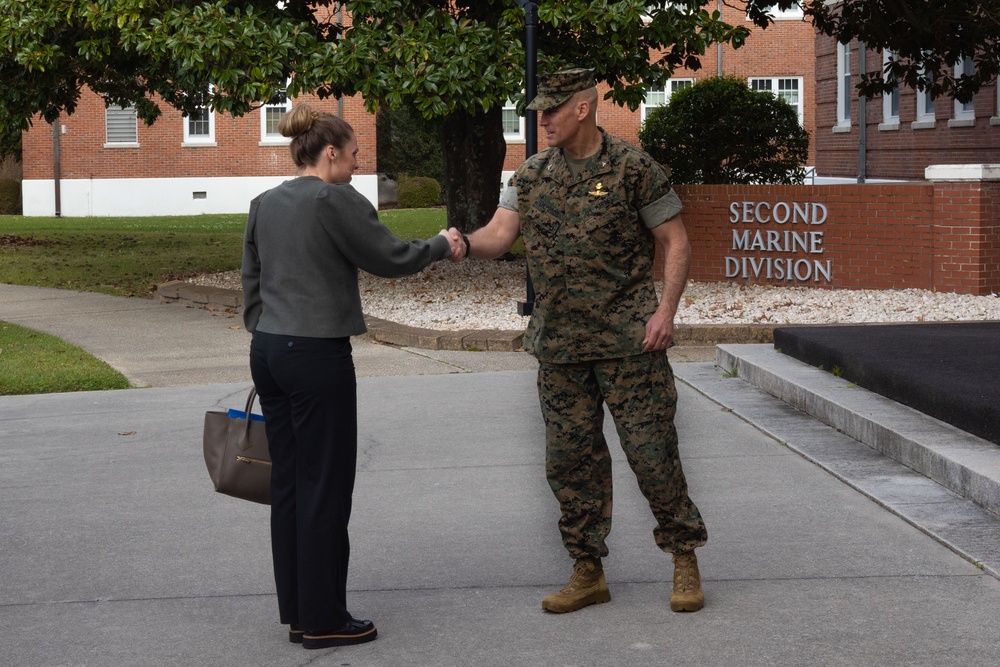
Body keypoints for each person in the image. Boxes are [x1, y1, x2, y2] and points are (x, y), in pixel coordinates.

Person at [458, 68, 708, 613]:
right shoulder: (530, 175)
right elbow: (499, 238)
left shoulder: (633, 168)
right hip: (561, 350)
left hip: (629, 343)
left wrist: (665, 312)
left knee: (652, 454)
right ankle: (587, 569)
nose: (541, 119)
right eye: (539, 110)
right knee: (571, 464)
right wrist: (457, 244)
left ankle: (684, 557)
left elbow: (675, 240)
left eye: (551, 109)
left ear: (582, 108)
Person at [241, 103, 463, 649]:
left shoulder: (264, 202)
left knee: (290, 483)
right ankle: (323, 619)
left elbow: (251, 277)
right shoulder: (332, 197)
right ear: (331, 153)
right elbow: (387, 255)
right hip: (317, 355)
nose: (358, 166)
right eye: (356, 156)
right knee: (326, 485)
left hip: (269, 350)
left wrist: (265, 326)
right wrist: (442, 244)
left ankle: (298, 610)